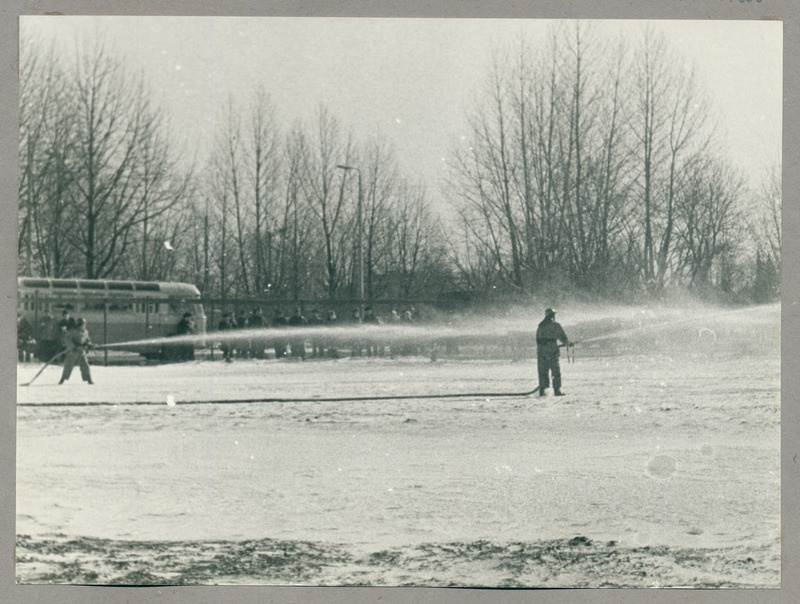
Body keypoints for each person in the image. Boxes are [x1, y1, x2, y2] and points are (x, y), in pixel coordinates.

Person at [535, 307, 569, 397]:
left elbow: (538, 340)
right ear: (553, 315)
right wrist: (567, 343)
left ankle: (543, 391)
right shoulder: (556, 325)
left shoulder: (540, 326)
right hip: (552, 352)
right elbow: (562, 337)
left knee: (543, 371)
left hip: (541, 352)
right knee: (555, 371)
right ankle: (557, 390)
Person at [59, 318, 94, 385]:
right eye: (82, 324)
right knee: (68, 366)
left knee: (85, 365)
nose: (84, 326)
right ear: (79, 325)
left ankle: (89, 379)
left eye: (84, 324)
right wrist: (73, 347)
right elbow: (67, 339)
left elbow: (87, 340)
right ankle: (62, 379)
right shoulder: (73, 331)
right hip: (73, 352)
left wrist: (89, 345)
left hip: (81, 352)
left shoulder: (85, 332)